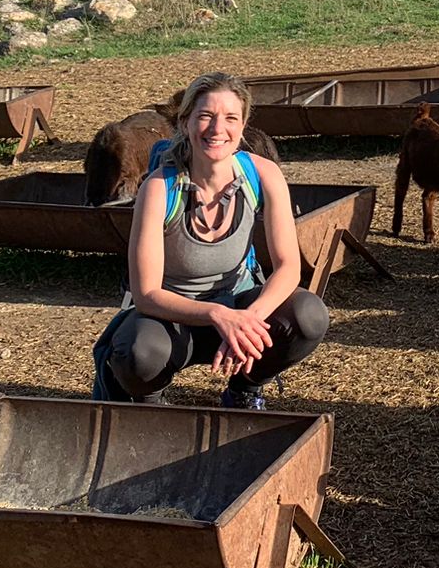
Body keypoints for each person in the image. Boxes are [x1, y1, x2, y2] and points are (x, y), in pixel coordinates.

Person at [91, 72, 329, 409]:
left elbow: (289, 267)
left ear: (243, 125)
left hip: (239, 303)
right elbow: (146, 295)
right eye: (206, 116)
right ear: (185, 122)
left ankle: (244, 392)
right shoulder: (160, 188)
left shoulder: (262, 174)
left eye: (230, 118)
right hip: (170, 319)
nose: (218, 129)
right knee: (139, 352)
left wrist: (248, 319)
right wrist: (219, 315)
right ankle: (149, 403)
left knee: (308, 315)